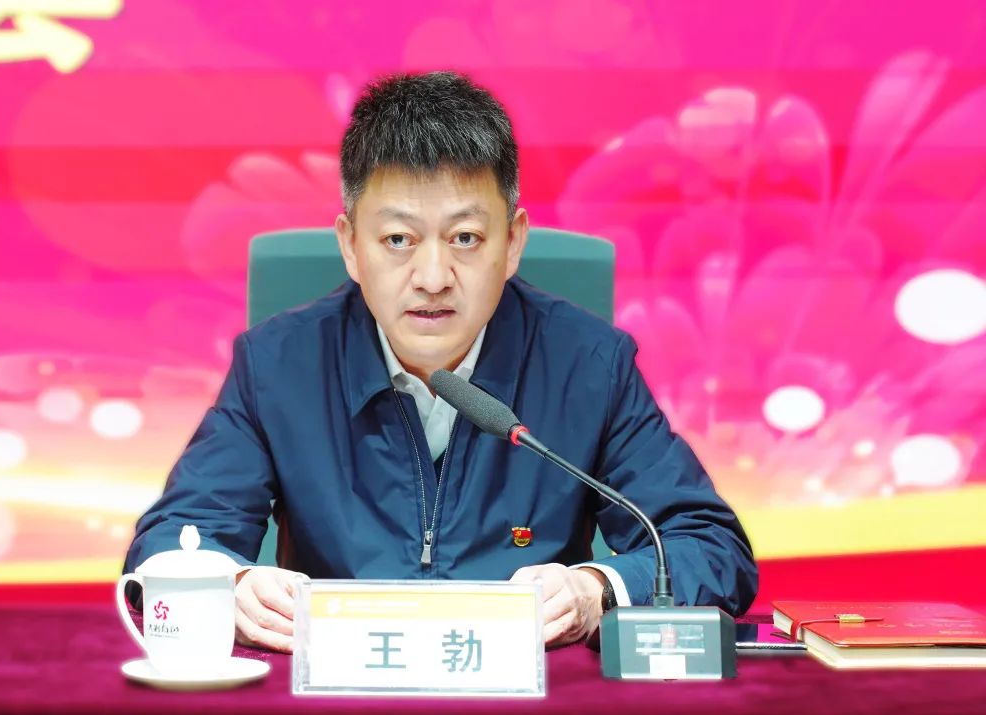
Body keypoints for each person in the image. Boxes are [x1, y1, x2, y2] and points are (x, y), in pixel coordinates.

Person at [125, 71, 758, 653]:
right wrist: (231, 584)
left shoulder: (590, 365)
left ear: (513, 243)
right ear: (351, 246)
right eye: (398, 239)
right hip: (341, 689)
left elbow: (710, 547)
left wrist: (597, 589)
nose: (432, 277)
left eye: (465, 238)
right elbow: (171, 541)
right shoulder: (277, 366)